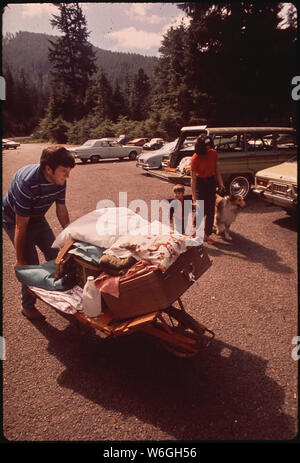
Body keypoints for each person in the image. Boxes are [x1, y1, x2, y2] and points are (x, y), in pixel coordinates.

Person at [2, 145, 75, 319]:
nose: (67, 176)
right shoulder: (28, 183)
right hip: (14, 220)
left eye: (69, 171)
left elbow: (61, 209)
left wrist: (71, 235)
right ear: (48, 169)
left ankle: (57, 294)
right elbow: (21, 225)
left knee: (57, 255)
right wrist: (20, 260)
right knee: (31, 265)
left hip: (37, 217)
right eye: (64, 171)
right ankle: (27, 306)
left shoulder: (59, 181)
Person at [191, 135, 225, 244]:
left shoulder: (213, 153)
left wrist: (221, 183)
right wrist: (194, 198)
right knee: (201, 210)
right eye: (206, 146)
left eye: (209, 145)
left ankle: (207, 234)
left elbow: (216, 169)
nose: (208, 147)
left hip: (210, 183)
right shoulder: (195, 158)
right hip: (200, 184)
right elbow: (193, 179)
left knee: (210, 210)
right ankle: (194, 229)